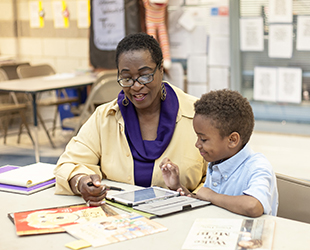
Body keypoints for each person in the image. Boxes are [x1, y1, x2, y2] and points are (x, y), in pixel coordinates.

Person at [54, 33, 207, 206]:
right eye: (126, 78)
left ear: (161, 69)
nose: (136, 86)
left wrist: (191, 196)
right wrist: (81, 181)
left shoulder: (198, 115)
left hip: (183, 218)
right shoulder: (104, 117)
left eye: (145, 75)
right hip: (120, 221)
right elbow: (67, 164)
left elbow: (222, 179)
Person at [160, 89, 278, 217]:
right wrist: (177, 186)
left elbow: (253, 206)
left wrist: (211, 196)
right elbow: (206, 201)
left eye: (203, 139)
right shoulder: (218, 162)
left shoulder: (257, 167)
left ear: (232, 140)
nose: (197, 144)